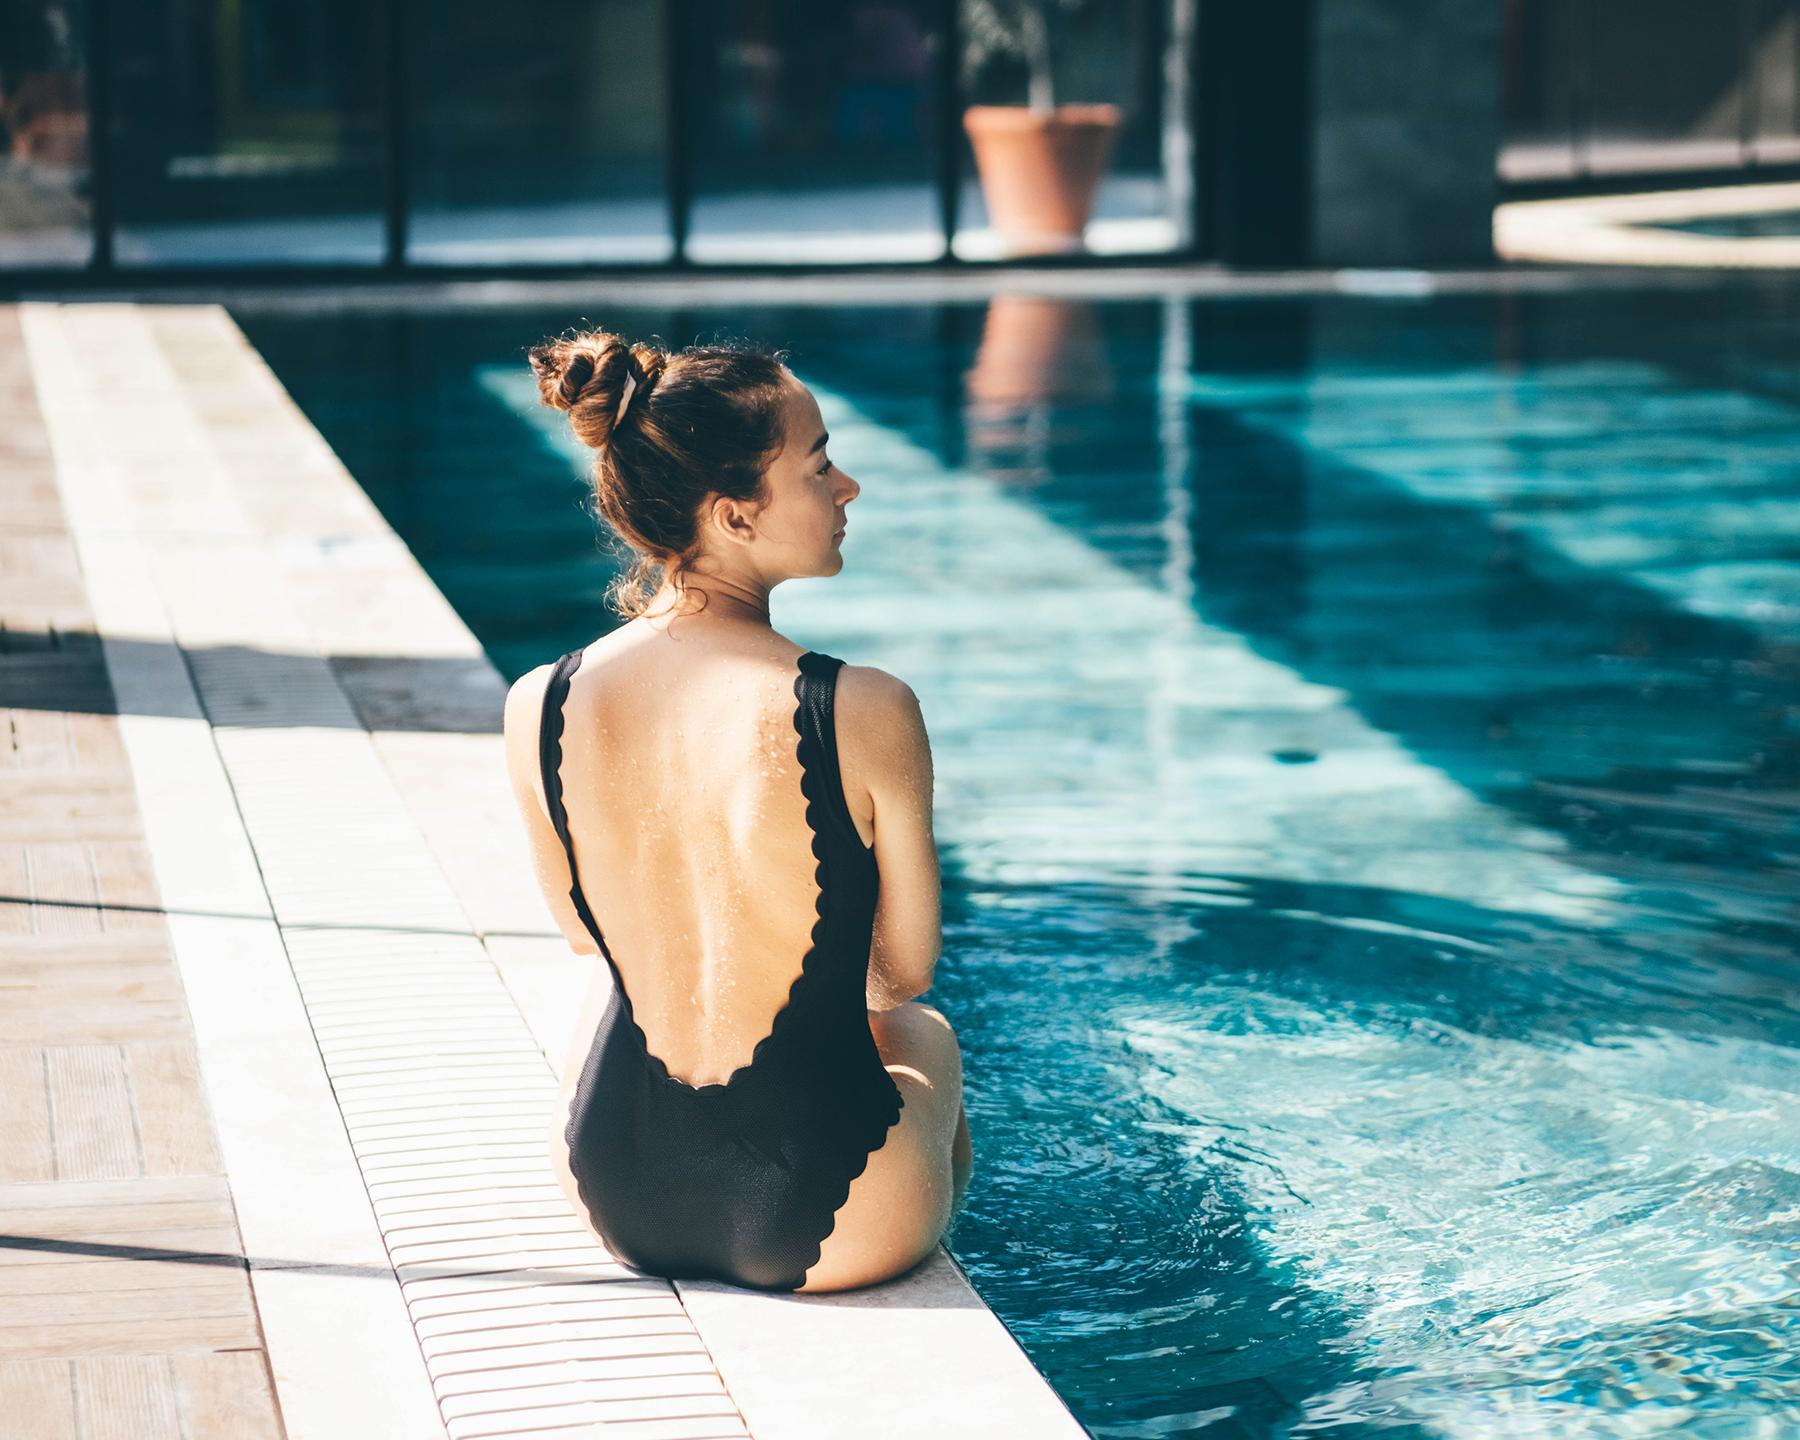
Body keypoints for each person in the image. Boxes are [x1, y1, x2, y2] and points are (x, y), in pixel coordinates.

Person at [501, 328, 973, 1293]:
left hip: (617, 1187)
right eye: (819, 463)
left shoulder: (537, 701)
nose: (847, 488)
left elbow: (587, 936)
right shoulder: (864, 706)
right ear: (734, 516)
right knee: (923, 1039)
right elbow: (902, 973)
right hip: (834, 1208)